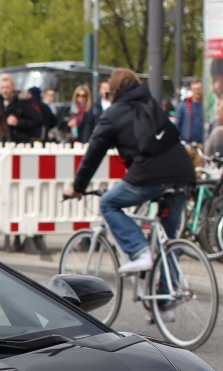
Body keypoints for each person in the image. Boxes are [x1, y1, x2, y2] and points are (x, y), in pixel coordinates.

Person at [64, 68, 197, 286]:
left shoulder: (114, 113)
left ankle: (139, 251)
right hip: (183, 173)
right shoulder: (151, 104)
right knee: (167, 238)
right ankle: (165, 302)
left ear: (114, 91)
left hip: (151, 174)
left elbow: (93, 153)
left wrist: (78, 187)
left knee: (109, 203)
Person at [0, 74, 43, 143]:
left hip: (19, 143)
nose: (5, 91)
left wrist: (19, 122)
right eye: (2, 88)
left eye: (7, 87)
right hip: (1, 142)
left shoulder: (22, 103)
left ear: (13, 87)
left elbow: (38, 120)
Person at [175, 79, 204, 144]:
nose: (197, 91)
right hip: (187, 143)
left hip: (204, 143)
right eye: (195, 89)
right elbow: (177, 125)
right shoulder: (183, 105)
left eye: (199, 89)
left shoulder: (207, 106)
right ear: (191, 90)